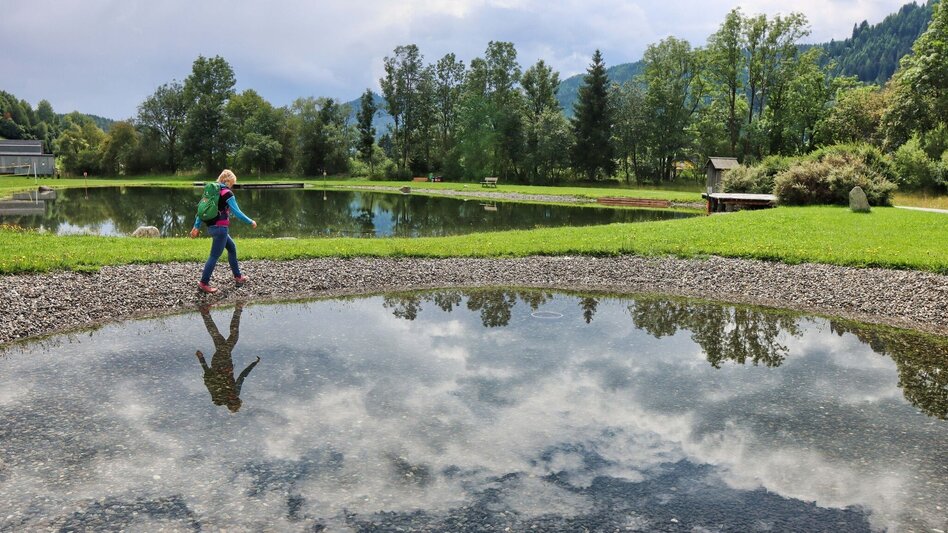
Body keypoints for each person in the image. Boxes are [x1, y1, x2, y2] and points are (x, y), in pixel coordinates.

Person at [190, 169, 257, 294]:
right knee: (214, 256)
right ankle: (203, 283)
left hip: (212, 228)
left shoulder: (211, 192)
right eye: (232, 183)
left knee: (231, 248)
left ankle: (238, 277)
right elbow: (237, 212)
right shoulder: (227, 193)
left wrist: (196, 227)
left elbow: (200, 211)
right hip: (221, 229)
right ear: (228, 181)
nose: (232, 185)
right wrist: (250, 221)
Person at [195, 302, 260, 412]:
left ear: (229, 401)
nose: (234, 396)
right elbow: (242, 377)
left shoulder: (218, 394)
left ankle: (236, 309)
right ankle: (207, 312)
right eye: (236, 398)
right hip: (227, 360)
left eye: (233, 399)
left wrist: (201, 359)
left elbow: (208, 376)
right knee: (219, 336)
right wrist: (254, 364)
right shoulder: (235, 392)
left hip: (219, 362)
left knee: (230, 336)